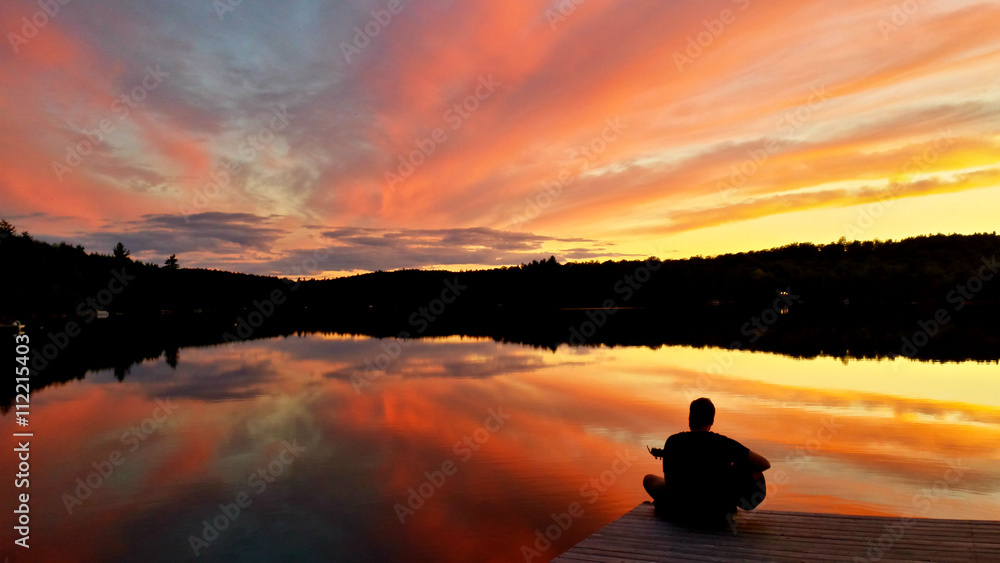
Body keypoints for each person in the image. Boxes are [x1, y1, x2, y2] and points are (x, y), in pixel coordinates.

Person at [643, 397, 770, 526]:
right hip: (718, 516)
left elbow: (670, 482)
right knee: (755, 473)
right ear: (712, 420)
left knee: (649, 479)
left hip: (679, 512)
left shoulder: (673, 441)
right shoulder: (725, 443)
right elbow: (764, 464)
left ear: (690, 419)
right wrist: (736, 468)